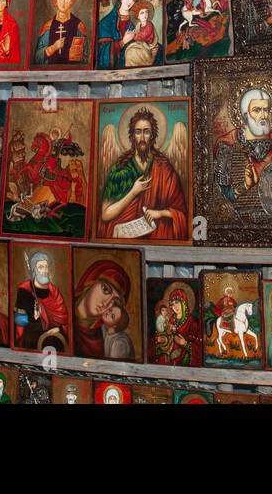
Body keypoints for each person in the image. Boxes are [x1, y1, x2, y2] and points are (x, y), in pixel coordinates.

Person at [97, 107, 188, 241]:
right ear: (132, 135)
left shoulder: (164, 168)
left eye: (146, 132)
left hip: (155, 235)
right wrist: (133, 192)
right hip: (125, 237)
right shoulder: (121, 169)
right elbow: (105, 215)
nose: (142, 138)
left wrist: (160, 213)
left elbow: (181, 213)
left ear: (152, 135)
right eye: (138, 132)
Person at [72, 259, 132, 359]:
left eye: (114, 302)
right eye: (105, 289)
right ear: (91, 281)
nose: (106, 303)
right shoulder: (63, 311)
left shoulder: (101, 340)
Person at [13, 250, 69, 351]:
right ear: (34, 270)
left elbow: (63, 320)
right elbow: (19, 320)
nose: (45, 270)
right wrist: (33, 318)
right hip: (31, 338)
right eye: (41, 267)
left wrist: (59, 329)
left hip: (54, 337)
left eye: (46, 266)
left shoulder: (54, 292)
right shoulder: (24, 290)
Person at [32, 0, 89, 66]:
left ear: (71, 2)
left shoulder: (79, 26)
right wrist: (53, 47)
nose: (63, 2)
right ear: (55, 2)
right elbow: (37, 58)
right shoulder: (48, 26)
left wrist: (77, 54)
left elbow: (86, 56)